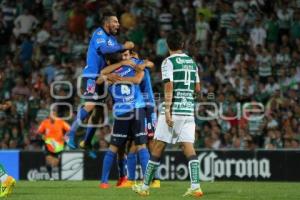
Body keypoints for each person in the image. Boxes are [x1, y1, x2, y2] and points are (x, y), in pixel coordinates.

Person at [132, 30, 203, 197]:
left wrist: (168, 111)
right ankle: (196, 186)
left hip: (173, 109)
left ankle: (144, 186)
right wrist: (187, 99)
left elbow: (169, 86)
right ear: (183, 45)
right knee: (188, 148)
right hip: (188, 111)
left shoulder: (168, 62)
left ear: (168, 46)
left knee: (157, 146)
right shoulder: (192, 63)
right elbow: (198, 90)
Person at [67, 11, 134, 149]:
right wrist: (123, 46)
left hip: (103, 77)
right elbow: (103, 50)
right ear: (107, 23)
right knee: (90, 105)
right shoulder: (99, 34)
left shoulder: (112, 39)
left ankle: (86, 142)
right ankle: (70, 133)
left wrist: (131, 57)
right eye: (115, 21)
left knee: (98, 113)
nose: (118, 24)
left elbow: (114, 56)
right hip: (91, 76)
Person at [99, 51, 150, 189]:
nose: (128, 58)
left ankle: (146, 180)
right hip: (127, 111)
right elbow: (99, 78)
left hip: (132, 110)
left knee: (134, 145)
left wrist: (117, 78)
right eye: (124, 56)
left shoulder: (118, 73)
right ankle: (104, 181)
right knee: (122, 147)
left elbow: (140, 76)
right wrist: (110, 75)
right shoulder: (122, 70)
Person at [37, 110, 70, 180]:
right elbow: (39, 132)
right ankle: (50, 176)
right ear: (49, 115)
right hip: (48, 144)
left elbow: (69, 129)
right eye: (52, 114)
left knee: (55, 163)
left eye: (54, 114)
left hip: (58, 146)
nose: (53, 116)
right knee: (48, 161)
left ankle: (60, 177)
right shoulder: (45, 122)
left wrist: (65, 136)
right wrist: (42, 136)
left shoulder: (61, 122)